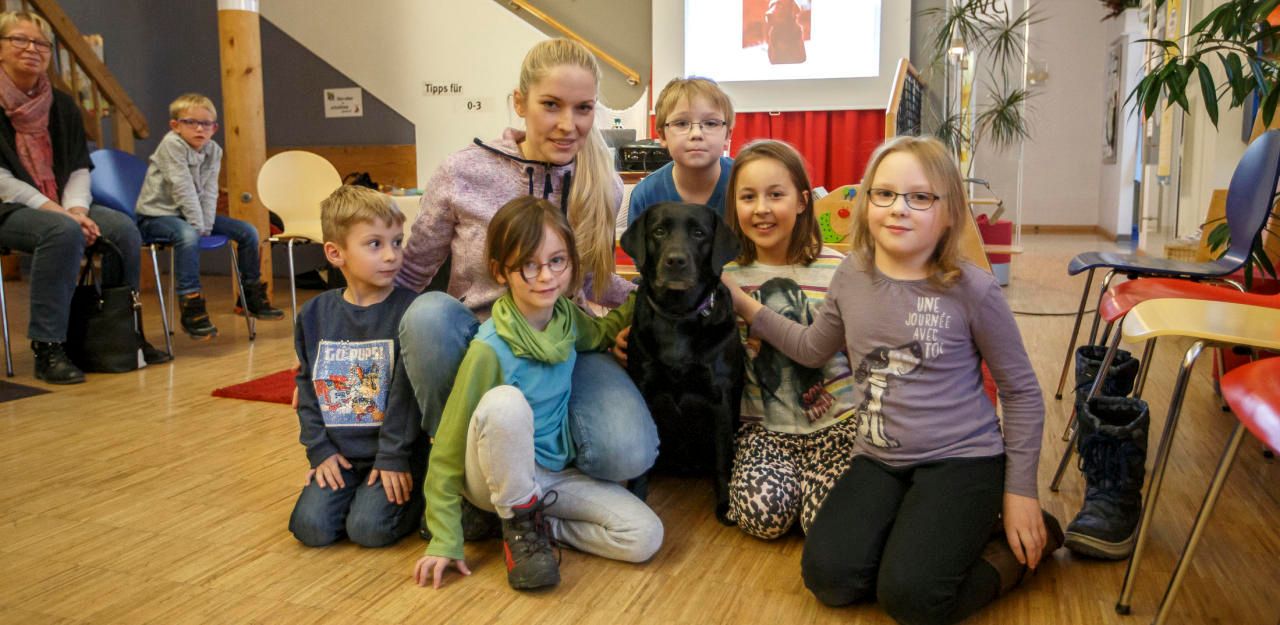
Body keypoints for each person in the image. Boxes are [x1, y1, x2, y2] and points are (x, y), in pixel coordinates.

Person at [724, 135, 1061, 625]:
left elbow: (1022, 392)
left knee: (913, 599)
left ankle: (1021, 545)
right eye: (884, 194)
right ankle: (929, 535)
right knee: (829, 579)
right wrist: (745, 305)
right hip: (879, 460)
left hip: (962, 461)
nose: (898, 208)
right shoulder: (851, 276)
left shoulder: (973, 289)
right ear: (866, 204)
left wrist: (1021, 493)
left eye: (920, 197)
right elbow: (812, 348)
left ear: (949, 212)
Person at [397, 39, 656, 485]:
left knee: (626, 453)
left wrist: (654, 303)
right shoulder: (462, 172)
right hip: (480, 342)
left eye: (583, 108)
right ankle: (459, 473)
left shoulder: (603, 183)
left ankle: (534, 479)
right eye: (551, 105)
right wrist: (347, 343)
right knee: (426, 316)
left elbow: (593, 282)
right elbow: (411, 273)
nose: (568, 125)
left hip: (563, 343)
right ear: (520, 103)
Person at [413, 197, 662, 591]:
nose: (546, 276)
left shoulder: (567, 319)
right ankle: (513, 519)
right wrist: (445, 538)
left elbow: (599, 333)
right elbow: (448, 446)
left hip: (551, 476)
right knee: (505, 404)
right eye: (529, 265)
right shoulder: (489, 348)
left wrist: (639, 298)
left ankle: (535, 526)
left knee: (645, 536)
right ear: (501, 271)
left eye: (557, 261)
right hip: (492, 477)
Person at [0, 10, 167, 383]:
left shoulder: (61, 104)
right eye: (19, 40)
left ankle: (123, 333)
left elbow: (78, 167)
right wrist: (63, 215)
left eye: (40, 43)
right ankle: (49, 345)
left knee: (122, 229)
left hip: (62, 203)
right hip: (9, 207)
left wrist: (76, 209)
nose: (32, 49)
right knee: (61, 232)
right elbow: (2, 181)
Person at [719, 140, 858, 540]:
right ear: (734, 205)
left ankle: (811, 500)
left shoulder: (838, 269)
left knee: (829, 527)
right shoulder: (725, 276)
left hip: (837, 428)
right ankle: (793, 497)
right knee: (763, 516)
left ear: (801, 201)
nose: (761, 208)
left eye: (775, 195)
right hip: (763, 432)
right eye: (748, 197)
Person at [288, 185, 427, 548]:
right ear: (336, 253)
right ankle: (357, 498)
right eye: (375, 244)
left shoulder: (412, 311)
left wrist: (393, 457)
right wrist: (320, 452)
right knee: (310, 528)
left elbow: (407, 399)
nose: (392, 255)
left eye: (397, 242)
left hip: (394, 455)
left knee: (368, 530)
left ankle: (423, 497)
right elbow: (307, 390)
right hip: (342, 458)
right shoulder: (314, 314)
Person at [136, 93, 283, 340]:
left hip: (191, 216)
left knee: (248, 232)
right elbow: (182, 187)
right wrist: (198, 226)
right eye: (191, 122)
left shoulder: (213, 150)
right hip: (156, 216)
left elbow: (209, 190)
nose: (199, 129)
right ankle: (191, 305)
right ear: (175, 125)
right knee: (188, 235)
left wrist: (205, 223)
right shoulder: (172, 145)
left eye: (206, 124)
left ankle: (250, 296)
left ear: (214, 128)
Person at [626, 76, 734, 226]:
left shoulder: (748, 181)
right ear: (662, 136)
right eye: (682, 123)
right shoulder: (645, 195)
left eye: (710, 123)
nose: (696, 134)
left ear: (727, 135)